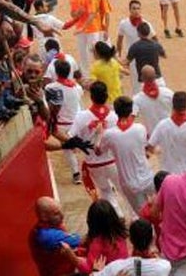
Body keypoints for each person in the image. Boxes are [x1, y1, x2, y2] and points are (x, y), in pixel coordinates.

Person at [65, 81, 125, 211]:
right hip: (113, 161)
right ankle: (135, 217)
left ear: (91, 97)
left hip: (94, 163)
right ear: (107, 96)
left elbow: (70, 136)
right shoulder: (115, 116)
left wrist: (78, 145)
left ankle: (118, 216)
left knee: (106, 192)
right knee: (123, 190)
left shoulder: (81, 116)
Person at [100, 95, 155, 214]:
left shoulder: (109, 134)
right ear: (130, 111)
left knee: (143, 216)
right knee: (161, 209)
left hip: (129, 183)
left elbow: (99, 151)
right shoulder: (140, 128)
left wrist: (100, 133)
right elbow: (145, 147)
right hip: (147, 178)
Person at [28, 196, 83, 276]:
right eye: (56, 213)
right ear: (44, 216)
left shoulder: (54, 226)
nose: (62, 216)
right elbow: (77, 241)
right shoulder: (45, 236)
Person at [148, 90, 186, 174]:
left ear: (173, 105)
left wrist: (160, 152)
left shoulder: (162, 125)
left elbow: (150, 147)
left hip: (167, 174)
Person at [115, 0, 153, 90]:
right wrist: (119, 54)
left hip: (145, 56)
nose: (136, 11)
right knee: (136, 81)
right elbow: (119, 40)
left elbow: (154, 38)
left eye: (138, 8)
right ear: (130, 10)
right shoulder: (124, 23)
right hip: (132, 57)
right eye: (134, 8)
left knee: (148, 80)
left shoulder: (146, 24)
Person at [133, 64, 175, 130]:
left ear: (141, 78)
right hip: (169, 132)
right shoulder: (168, 93)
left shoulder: (137, 99)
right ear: (155, 76)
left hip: (151, 135)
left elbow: (132, 116)